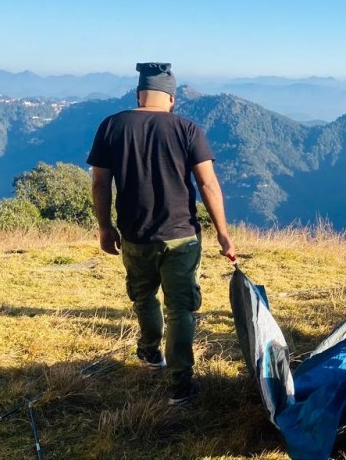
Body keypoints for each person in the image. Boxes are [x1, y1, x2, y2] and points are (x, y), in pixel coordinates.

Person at [87, 62, 236, 406]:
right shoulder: (187, 129)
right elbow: (208, 184)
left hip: (135, 234)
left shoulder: (111, 125)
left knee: (143, 297)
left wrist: (105, 227)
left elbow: (100, 183)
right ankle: (180, 384)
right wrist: (223, 233)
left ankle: (151, 351)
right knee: (181, 309)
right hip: (181, 235)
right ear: (172, 99)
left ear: (138, 94)